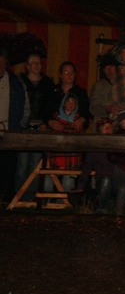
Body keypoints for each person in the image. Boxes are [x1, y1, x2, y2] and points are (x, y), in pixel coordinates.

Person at [15, 54, 55, 200]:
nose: (37, 65)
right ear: (28, 66)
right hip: (23, 127)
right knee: (21, 165)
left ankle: (31, 199)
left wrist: (45, 122)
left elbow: (50, 106)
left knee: (34, 166)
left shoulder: (47, 83)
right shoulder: (20, 82)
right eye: (34, 63)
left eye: (39, 63)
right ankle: (19, 198)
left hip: (40, 127)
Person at [0, 49, 30, 201]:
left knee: (9, 169)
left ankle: (7, 203)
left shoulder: (16, 82)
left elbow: (25, 108)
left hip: (9, 131)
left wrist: (18, 127)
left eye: (2, 61)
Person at [44, 93, 86, 192]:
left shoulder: (79, 120)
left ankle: (65, 203)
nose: (71, 104)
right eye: (68, 101)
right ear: (63, 103)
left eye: (74, 102)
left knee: (68, 179)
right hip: (56, 154)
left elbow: (81, 138)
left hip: (72, 155)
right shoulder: (55, 119)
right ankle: (46, 202)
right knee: (49, 176)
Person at [76, 117, 116, 211]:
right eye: (104, 127)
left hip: (118, 178)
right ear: (99, 130)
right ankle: (101, 209)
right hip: (102, 179)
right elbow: (87, 166)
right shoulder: (95, 147)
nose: (107, 129)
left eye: (109, 127)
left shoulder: (118, 143)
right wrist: (80, 185)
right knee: (106, 180)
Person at [50, 61, 91, 125]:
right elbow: (46, 111)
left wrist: (81, 120)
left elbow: (86, 112)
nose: (69, 75)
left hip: (75, 128)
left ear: (75, 74)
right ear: (60, 75)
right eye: (66, 72)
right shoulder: (52, 91)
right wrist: (51, 122)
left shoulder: (81, 92)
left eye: (71, 72)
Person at [90, 54, 118, 119]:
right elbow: (93, 108)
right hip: (103, 125)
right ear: (103, 70)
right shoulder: (98, 86)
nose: (109, 69)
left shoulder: (124, 84)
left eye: (111, 66)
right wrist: (107, 109)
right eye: (106, 67)